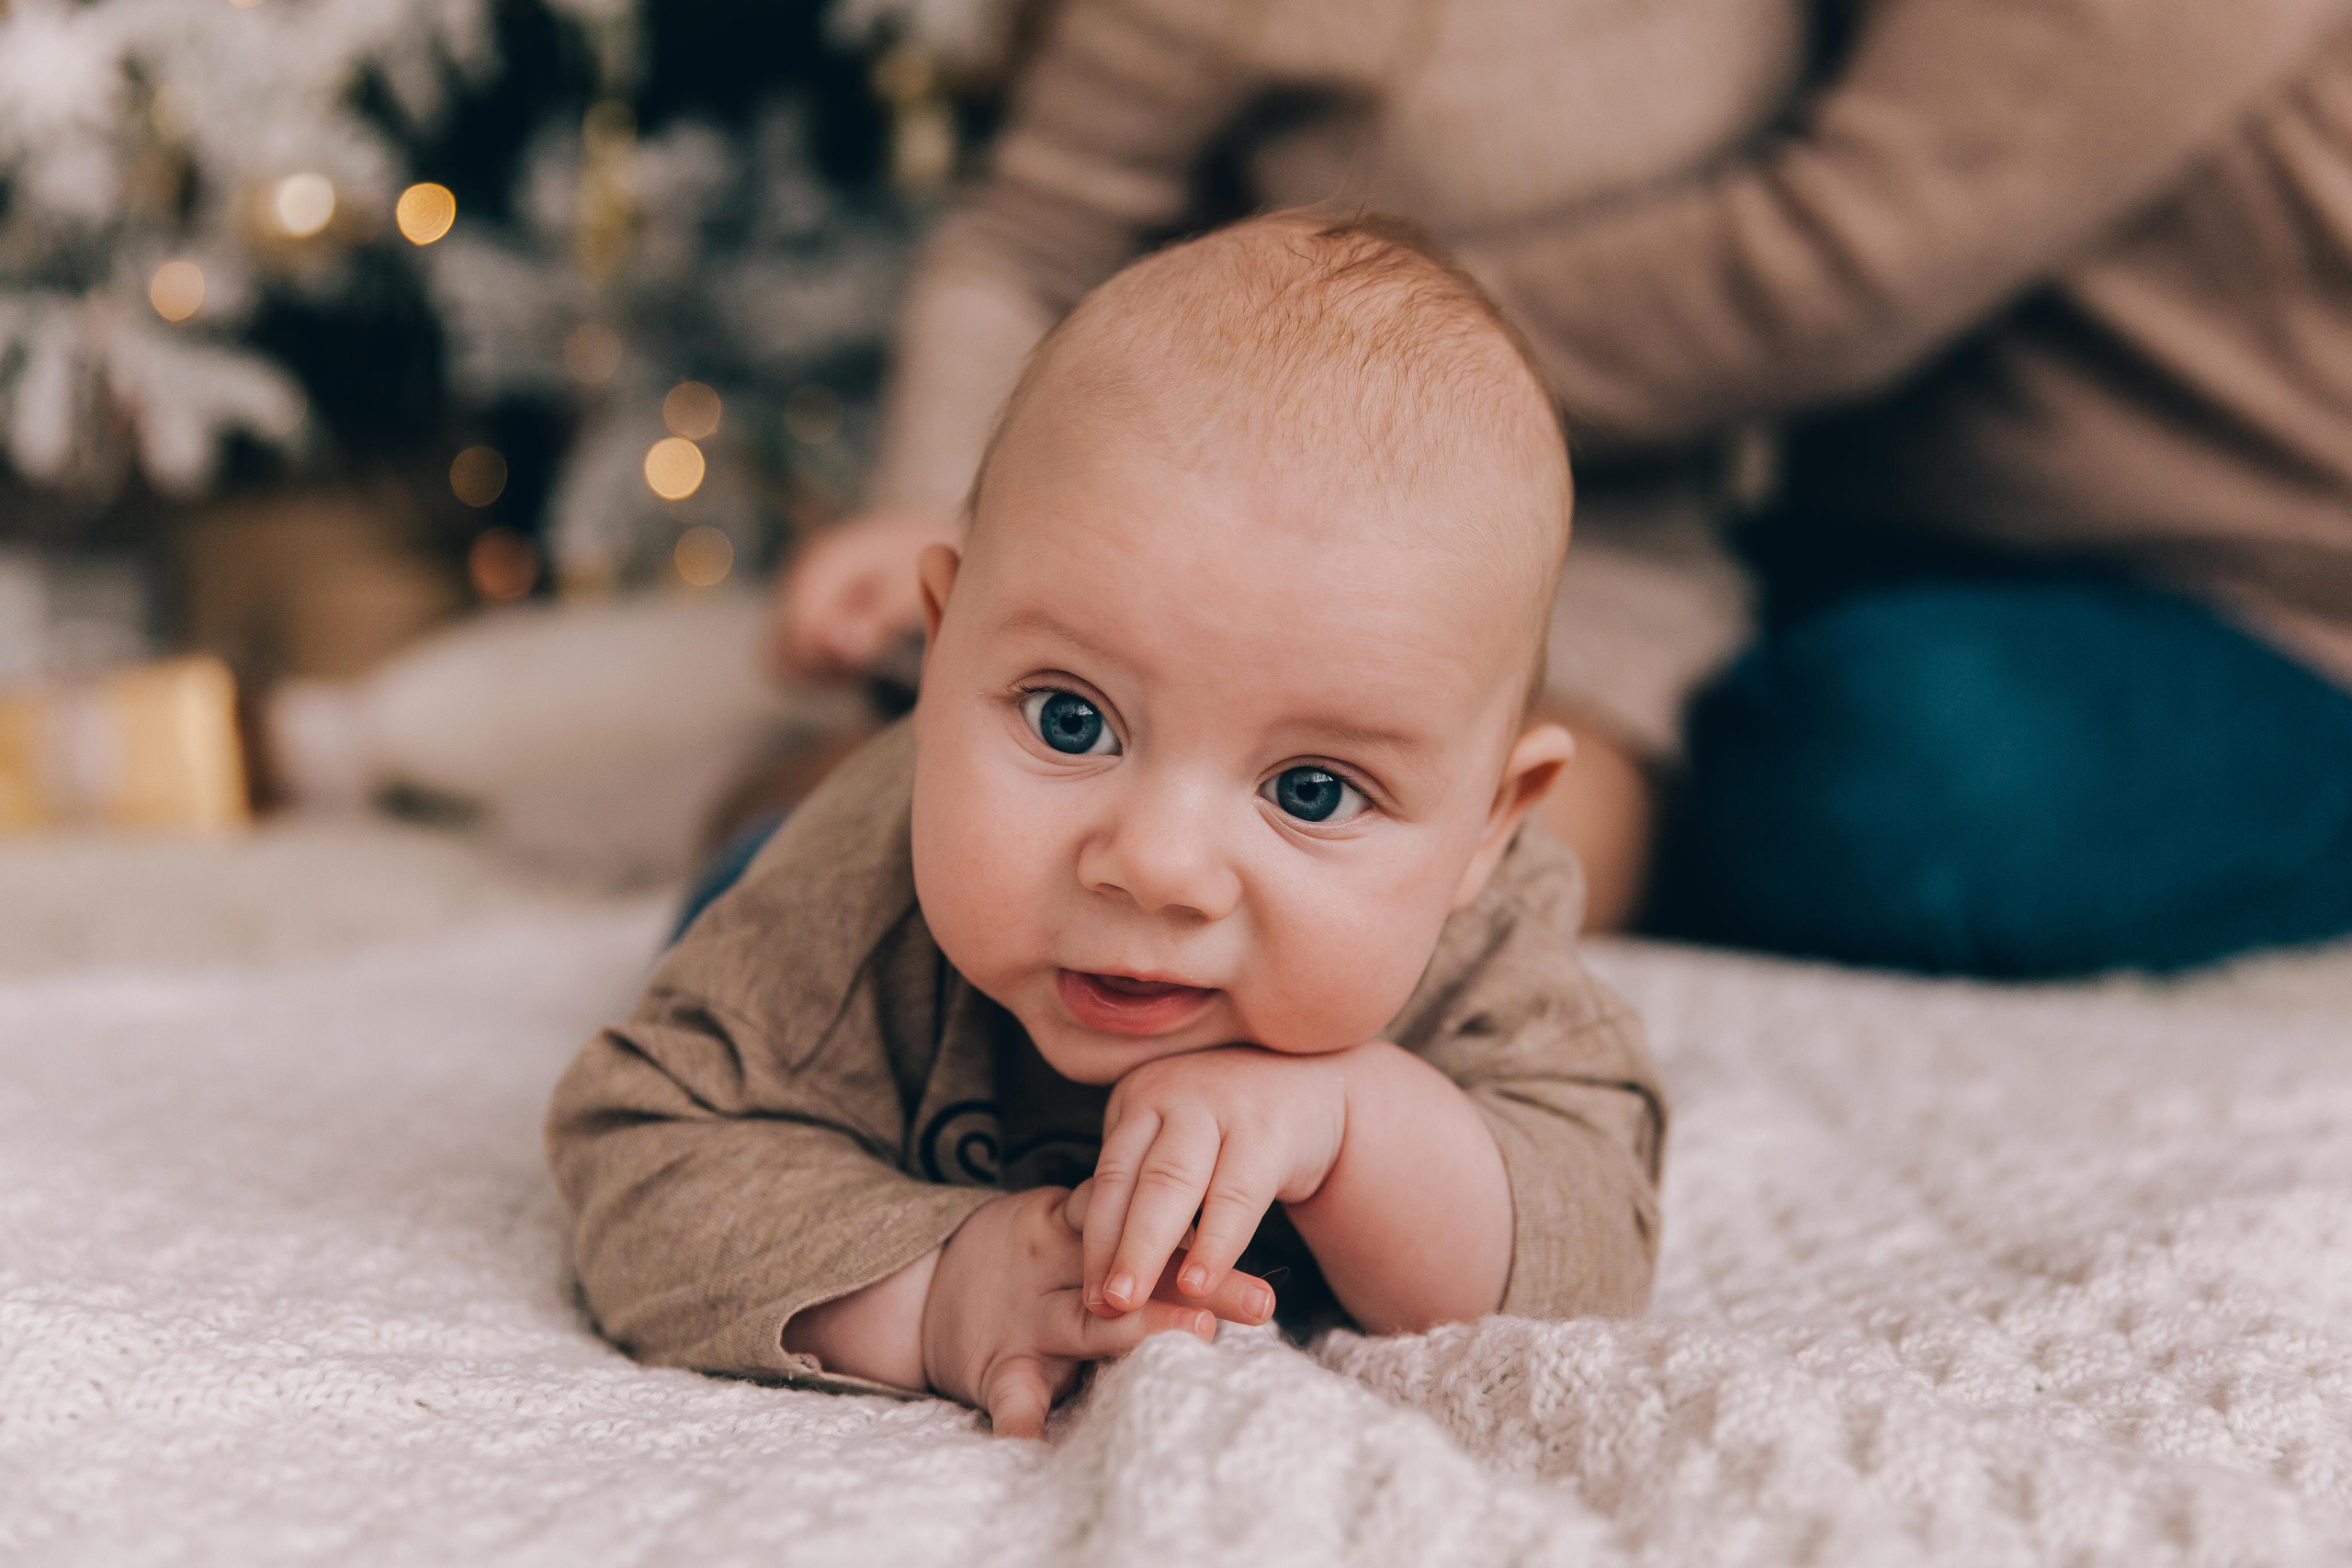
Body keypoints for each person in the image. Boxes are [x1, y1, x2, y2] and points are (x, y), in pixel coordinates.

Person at [546, 214, 1665, 1436]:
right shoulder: (850, 910)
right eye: (1072, 719)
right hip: (796, 870)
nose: (1158, 864)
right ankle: (766, 803)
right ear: (942, 641)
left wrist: (1357, 1127)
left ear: (1487, 828)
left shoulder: (1487, 944)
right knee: (756, 860)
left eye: (1311, 790)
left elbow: (1593, 1239)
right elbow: (639, 1141)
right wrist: (933, 1286)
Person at [775, 0, 1810, 934]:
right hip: (1199, 514)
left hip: (1602, 551)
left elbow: (1848, 237)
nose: (1164, 867)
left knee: (1489, 905)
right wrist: (927, 499)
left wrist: (1397, 358)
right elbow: (1024, 245)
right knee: (877, 859)